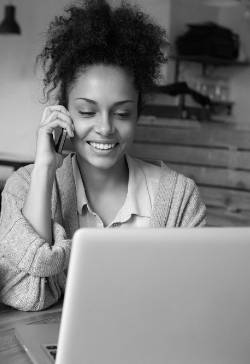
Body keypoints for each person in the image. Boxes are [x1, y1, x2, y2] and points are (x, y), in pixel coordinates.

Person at [0, 0, 206, 311]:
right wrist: (43, 169)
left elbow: (196, 301)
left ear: (138, 114)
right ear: (64, 110)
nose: (106, 128)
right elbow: (25, 294)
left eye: (122, 113)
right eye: (87, 111)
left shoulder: (180, 199)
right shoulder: (23, 187)